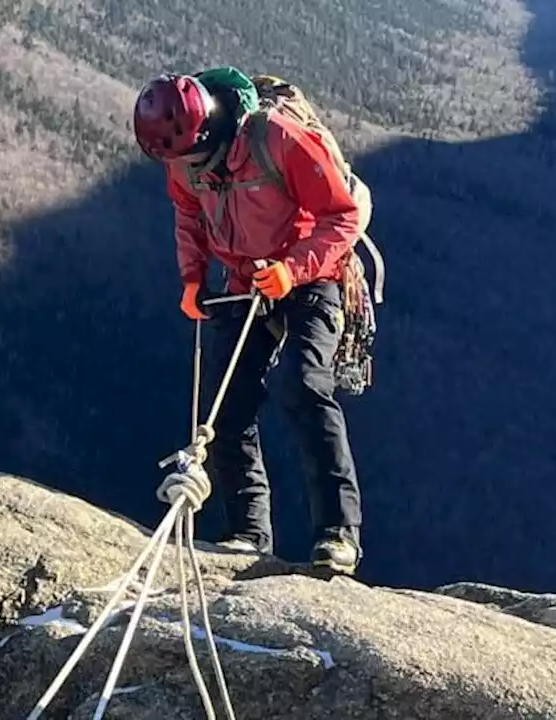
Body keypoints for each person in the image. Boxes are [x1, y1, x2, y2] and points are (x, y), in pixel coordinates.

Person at [131, 69, 364, 575]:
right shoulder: (185, 159)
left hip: (314, 274)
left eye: (189, 157)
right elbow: (189, 213)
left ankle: (338, 533)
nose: (184, 168)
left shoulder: (277, 139)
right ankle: (248, 533)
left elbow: (341, 217)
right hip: (245, 280)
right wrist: (192, 278)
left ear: (210, 131)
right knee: (225, 405)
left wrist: (293, 269)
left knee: (303, 384)